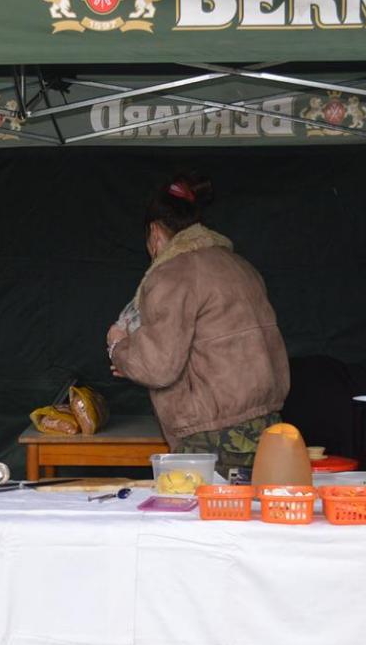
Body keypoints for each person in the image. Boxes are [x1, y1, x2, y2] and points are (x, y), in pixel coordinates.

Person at [106, 174, 290, 477]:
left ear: (154, 231)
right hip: (267, 429)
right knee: (251, 507)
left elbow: (158, 367)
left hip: (212, 437)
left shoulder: (172, 273)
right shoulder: (240, 266)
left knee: (204, 509)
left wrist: (119, 346)